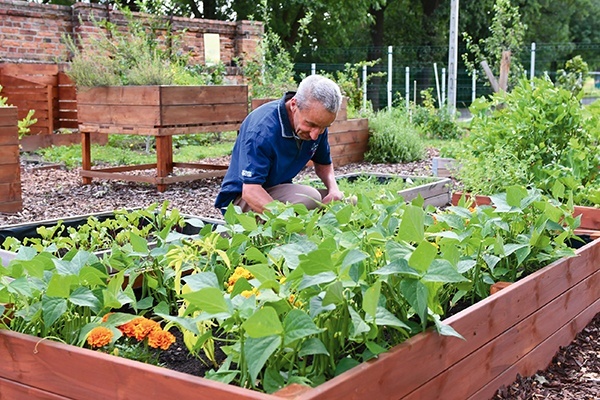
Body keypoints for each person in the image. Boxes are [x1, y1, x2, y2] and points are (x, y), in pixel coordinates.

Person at [214, 74, 344, 214]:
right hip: (240, 202)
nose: (315, 135)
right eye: (310, 125)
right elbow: (250, 191)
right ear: (294, 105)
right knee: (310, 199)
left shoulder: (316, 124)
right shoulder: (262, 130)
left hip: (276, 190)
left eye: (324, 127)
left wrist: (333, 189)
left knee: (343, 205)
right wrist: (287, 222)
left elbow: (323, 163)